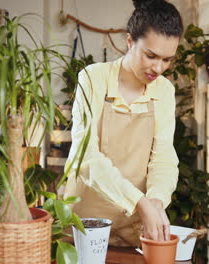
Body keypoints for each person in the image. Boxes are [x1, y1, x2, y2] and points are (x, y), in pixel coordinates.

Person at [64, 0, 183, 247]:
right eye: (151, 56)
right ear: (130, 42)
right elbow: (86, 157)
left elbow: (163, 158)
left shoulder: (164, 91)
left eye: (167, 60)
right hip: (85, 224)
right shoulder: (93, 78)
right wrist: (140, 202)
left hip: (134, 227)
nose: (158, 68)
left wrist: (157, 201)